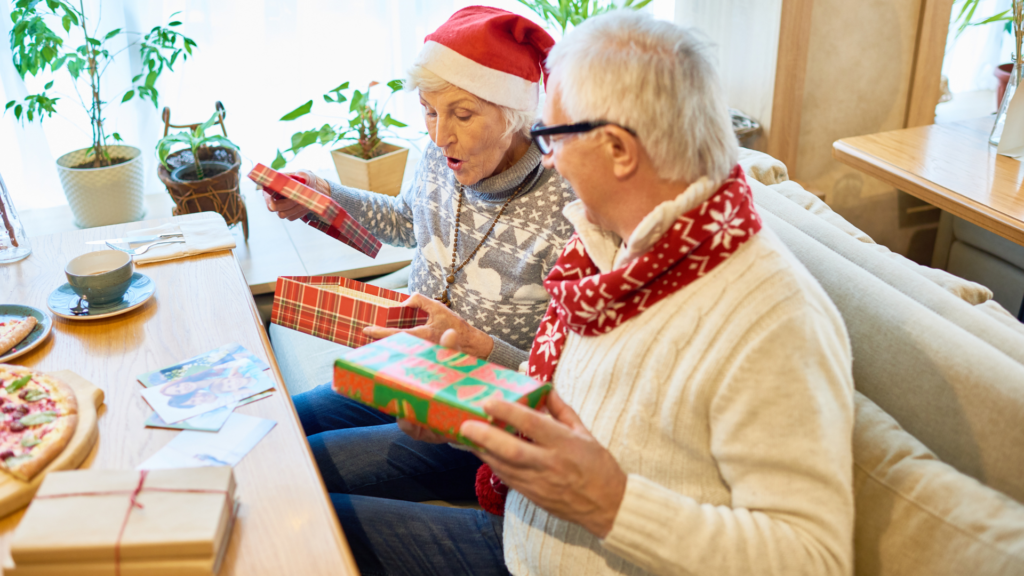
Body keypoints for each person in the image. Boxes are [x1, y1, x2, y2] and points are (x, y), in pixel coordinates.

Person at [333, 11, 856, 576]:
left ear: (618, 150)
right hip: (522, 524)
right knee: (300, 495)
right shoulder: (611, 252)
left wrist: (611, 503)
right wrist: (465, 409)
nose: (546, 160)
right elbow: (564, 411)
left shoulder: (771, 317)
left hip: (547, 554)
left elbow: (814, 561)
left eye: (552, 136)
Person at [262, 5, 577, 539]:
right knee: (275, 429)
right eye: (429, 111)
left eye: (462, 115)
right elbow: (410, 221)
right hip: (408, 361)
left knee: (298, 469)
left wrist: (478, 345)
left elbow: (560, 378)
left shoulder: (567, 203)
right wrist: (325, 196)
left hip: (479, 405)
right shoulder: (441, 155)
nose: (439, 135)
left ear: (515, 113)